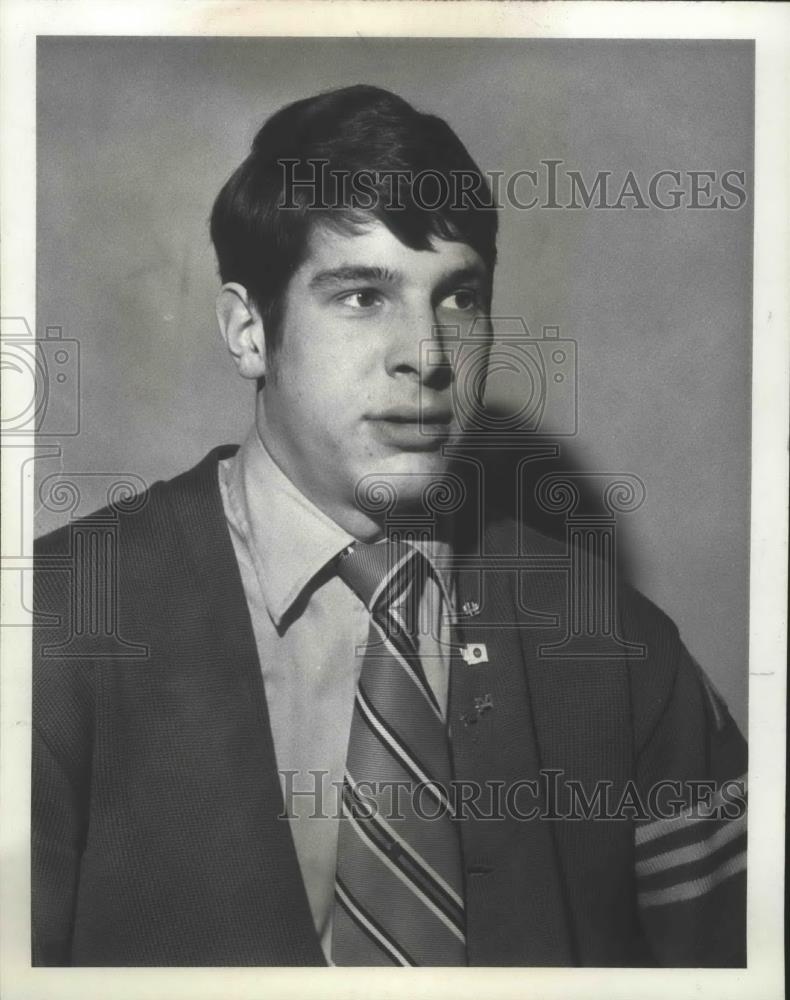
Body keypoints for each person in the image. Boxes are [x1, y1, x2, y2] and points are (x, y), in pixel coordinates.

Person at [32, 84, 747, 968]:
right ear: (249, 330)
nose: (429, 355)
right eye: (363, 296)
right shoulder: (55, 627)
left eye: (459, 298)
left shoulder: (615, 641)